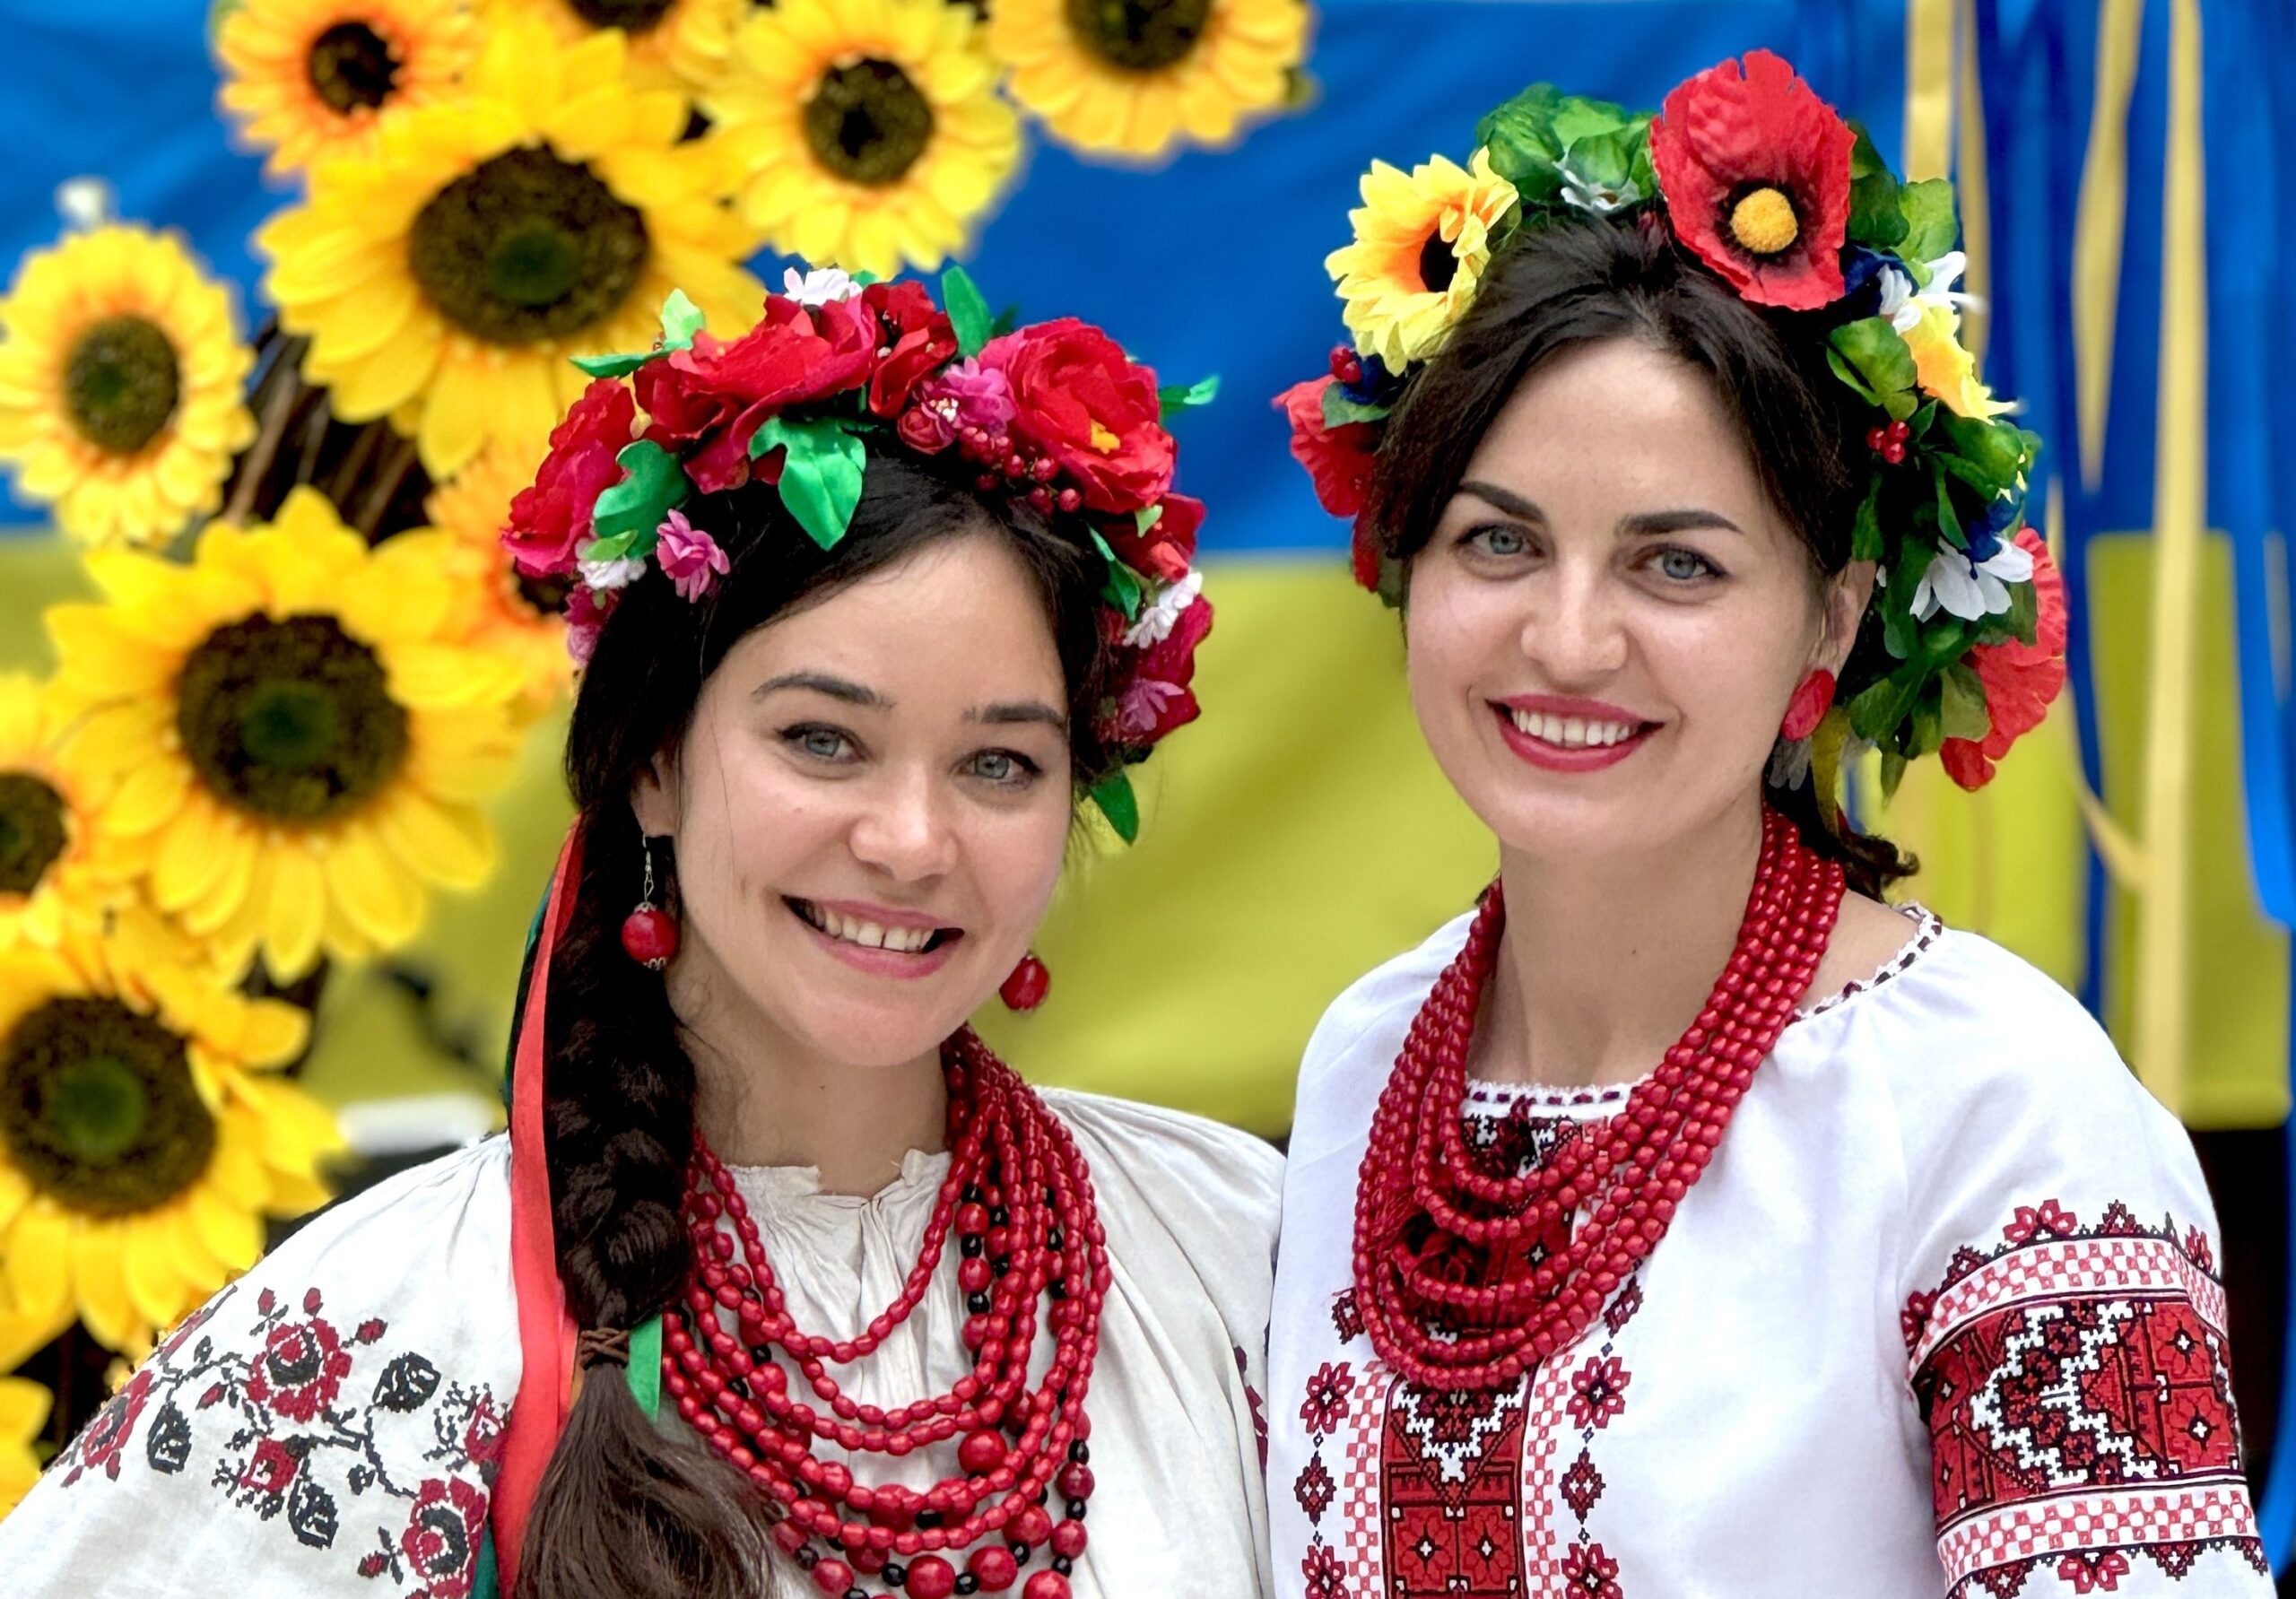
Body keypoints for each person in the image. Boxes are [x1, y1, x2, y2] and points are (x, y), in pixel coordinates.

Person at [0, 268, 1277, 1598]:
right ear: (652, 761)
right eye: (822, 741)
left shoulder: (1227, 1254)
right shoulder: (387, 1330)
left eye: (1000, 765)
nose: (912, 841)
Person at [1268, 50, 2269, 1597]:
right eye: (1499, 542)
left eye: (1678, 566)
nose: (1571, 640)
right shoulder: (1366, 1062)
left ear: (1831, 619)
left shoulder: (1991, 1108)